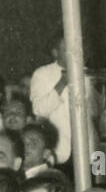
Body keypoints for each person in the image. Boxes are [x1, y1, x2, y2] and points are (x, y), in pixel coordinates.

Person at [29, 27, 74, 165]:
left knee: (99, 179)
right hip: (60, 151)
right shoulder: (42, 74)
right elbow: (39, 110)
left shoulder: (87, 74)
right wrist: (62, 83)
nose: (73, 53)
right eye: (67, 49)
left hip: (93, 150)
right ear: (55, 52)